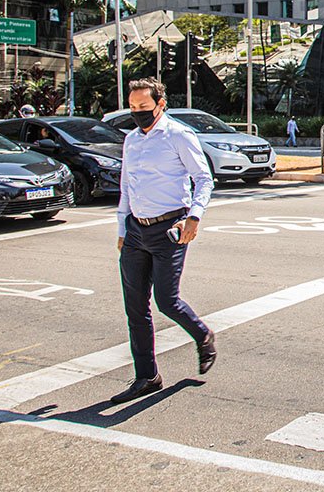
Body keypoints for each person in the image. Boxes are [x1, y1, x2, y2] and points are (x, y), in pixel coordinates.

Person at [112, 77, 217, 404]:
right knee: (135, 308)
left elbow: (203, 178)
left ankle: (203, 335)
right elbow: (126, 186)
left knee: (166, 301)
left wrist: (195, 216)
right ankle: (147, 376)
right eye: (132, 108)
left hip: (169, 228)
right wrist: (121, 229)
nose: (138, 113)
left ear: (161, 104)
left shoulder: (178, 135)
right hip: (135, 230)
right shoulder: (131, 140)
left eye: (144, 107)